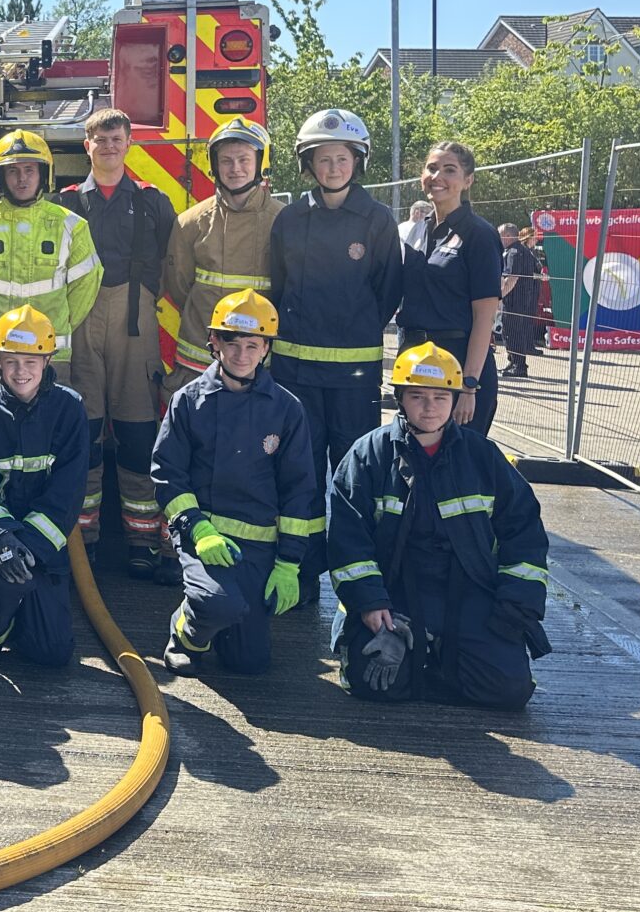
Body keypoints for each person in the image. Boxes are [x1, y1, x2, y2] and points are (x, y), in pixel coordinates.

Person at [326, 341, 551, 711]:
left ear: (454, 399)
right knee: (374, 683)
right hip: (393, 594)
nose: (430, 407)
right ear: (399, 399)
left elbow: (524, 533)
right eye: (417, 396)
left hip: (470, 591)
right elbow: (348, 542)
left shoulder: (483, 458)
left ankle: (436, 654)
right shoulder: (368, 456)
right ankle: (425, 655)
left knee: (507, 690)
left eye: (439, 396)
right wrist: (370, 604)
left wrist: (515, 607)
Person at [266, 108, 403, 594]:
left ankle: (354, 581)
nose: (333, 168)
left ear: (357, 161)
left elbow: (388, 292)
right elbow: (276, 288)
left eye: (341, 158)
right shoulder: (289, 219)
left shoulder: (377, 220)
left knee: (351, 477)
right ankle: (299, 576)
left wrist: (354, 327)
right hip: (295, 373)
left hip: (353, 378)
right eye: (323, 159)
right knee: (300, 476)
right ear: (309, 165)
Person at [153, 290, 318, 677]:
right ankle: (187, 633)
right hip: (203, 536)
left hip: (259, 547)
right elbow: (167, 474)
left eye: (252, 345)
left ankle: (218, 618)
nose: (241, 355)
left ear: (266, 349)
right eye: (232, 342)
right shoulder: (188, 401)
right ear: (214, 342)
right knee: (218, 605)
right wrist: (197, 529)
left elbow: (299, 490)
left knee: (249, 663)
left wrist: (290, 563)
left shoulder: (287, 409)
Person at [59, 108, 176, 578]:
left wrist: (143, 298)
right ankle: (82, 537)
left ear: (129, 144)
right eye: (99, 140)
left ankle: (142, 538)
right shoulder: (66, 204)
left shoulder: (153, 202)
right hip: (81, 322)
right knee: (83, 433)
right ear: (86, 146)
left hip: (135, 321)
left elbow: (169, 262)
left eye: (116, 138)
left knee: (137, 433)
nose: (108, 146)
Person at [0, 306, 88, 669]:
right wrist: (2, 539)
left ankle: (20, 614)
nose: (20, 371)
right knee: (8, 583)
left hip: (44, 543)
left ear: (47, 360)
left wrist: (26, 545)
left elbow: (68, 491)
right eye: (10, 360)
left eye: (31, 360)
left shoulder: (69, 409)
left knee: (52, 654)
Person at [0, 128, 103, 406]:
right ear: (0, 177)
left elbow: (85, 289)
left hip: (49, 354)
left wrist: (55, 327)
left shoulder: (72, 226)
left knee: (48, 431)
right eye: (12, 171)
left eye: (30, 170)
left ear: (44, 174)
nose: (22, 179)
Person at [162, 117, 281, 393]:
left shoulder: (283, 221)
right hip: (200, 352)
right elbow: (179, 285)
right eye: (226, 161)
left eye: (244, 159)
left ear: (260, 163)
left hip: (257, 355)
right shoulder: (190, 222)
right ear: (215, 166)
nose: (235, 168)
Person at [399, 141, 503, 435]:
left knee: (459, 468)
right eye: (432, 168)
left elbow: (484, 318)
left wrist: (469, 385)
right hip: (416, 366)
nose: (438, 177)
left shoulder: (479, 235)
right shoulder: (416, 232)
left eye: (449, 170)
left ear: (467, 181)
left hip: (459, 366)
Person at [498, 223, 539, 379]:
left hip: (516, 299)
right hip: (518, 298)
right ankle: (513, 361)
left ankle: (519, 366)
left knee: (513, 332)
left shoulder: (515, 252)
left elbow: (512, 278)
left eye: (500, 235)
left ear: (508, 236)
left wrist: (499, 296)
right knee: (509, 331)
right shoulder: (518, 251)